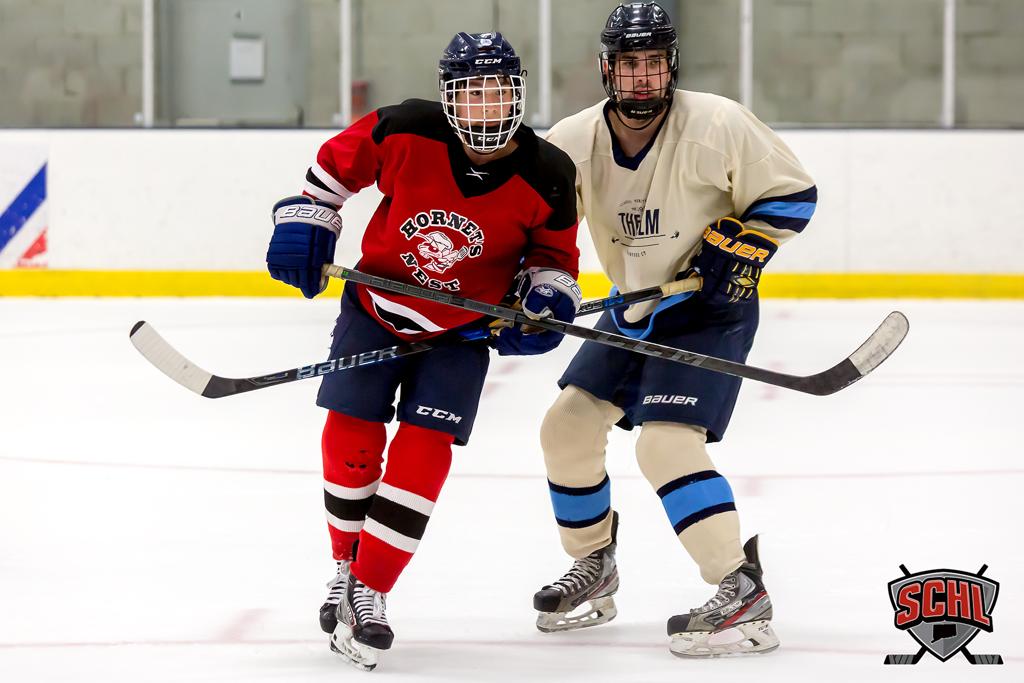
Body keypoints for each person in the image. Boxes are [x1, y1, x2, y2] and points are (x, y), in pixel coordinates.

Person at [265, 32, 581, 671]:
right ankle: (344, 568)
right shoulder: (405, 129)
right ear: (448, 98)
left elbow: (553, 258)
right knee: (352, 433)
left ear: (518, 96)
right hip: (375, 310)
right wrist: (306, 220)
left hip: (460, 335)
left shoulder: (549, 174)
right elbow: (331, 172)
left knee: (423, 450)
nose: (486, 108)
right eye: (471, 94)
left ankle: (370, 588)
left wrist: (545, 299)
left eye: (498, 94)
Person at [533, 2, 817, 658]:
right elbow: (539, 225)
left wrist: (746, 242)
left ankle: (739, 586)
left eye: (654, 62)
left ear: (671, 66)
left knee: (664, 445)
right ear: (607, 68)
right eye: (629, 63)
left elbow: (793, 195)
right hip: (632, 304)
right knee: (566, 427)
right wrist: (533, 284)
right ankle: (595, 562)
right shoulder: (573, 139)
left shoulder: (717, 123)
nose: (642, 77)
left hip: (708, 310)